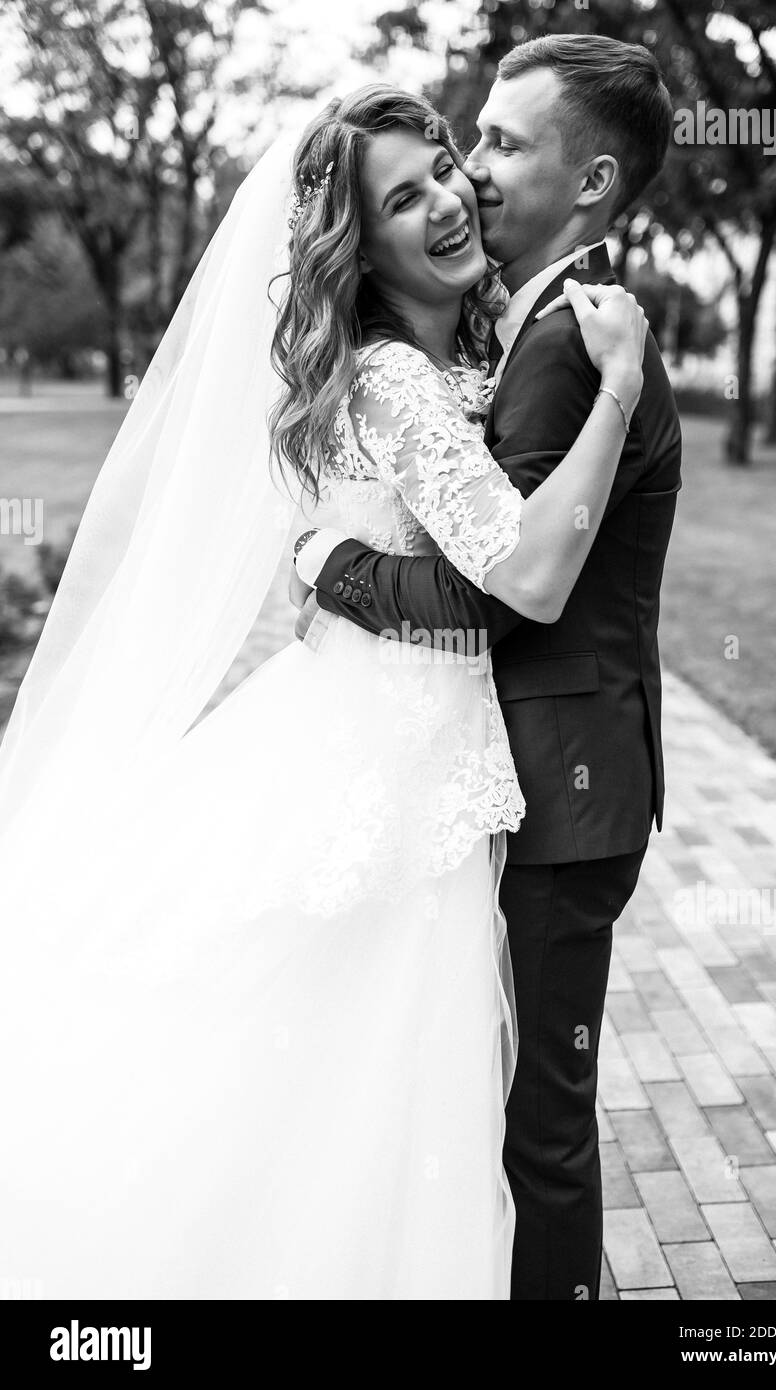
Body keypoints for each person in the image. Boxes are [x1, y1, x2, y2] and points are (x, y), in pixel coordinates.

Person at [0, 83, 646, 1300]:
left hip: (401, 749)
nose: (450, 198)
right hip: (393, 772)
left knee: (379, 1087)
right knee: (364, 1084)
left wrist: (325, 562)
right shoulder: (395, 380)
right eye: (402, 199)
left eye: (445, 166)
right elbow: (526, 573)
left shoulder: (447, 349)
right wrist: (617, 388)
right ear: (358, 243)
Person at [294, 35, 683, 1301]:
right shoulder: (508, 338)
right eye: (452, 155)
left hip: (562, 792)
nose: (468, 177)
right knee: (492, 1101)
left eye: (497, 148)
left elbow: (504, 588)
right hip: (510, 779)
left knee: (537, 1128)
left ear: (591, 182)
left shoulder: (571, 345)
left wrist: (328, 570)